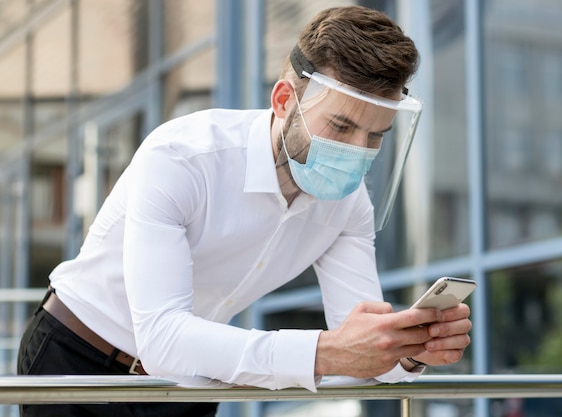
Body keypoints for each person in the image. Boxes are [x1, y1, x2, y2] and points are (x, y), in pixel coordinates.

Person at [18, 5, 472, 417]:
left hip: (190, 381)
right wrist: (326, 352)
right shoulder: (181, 157)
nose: (357, 151)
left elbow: (358, 350)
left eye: (376, 136)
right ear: (283, 101)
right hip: (75, 361)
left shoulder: (350, 205)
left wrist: (410, 349)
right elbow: (163, 337)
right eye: (341, 125)